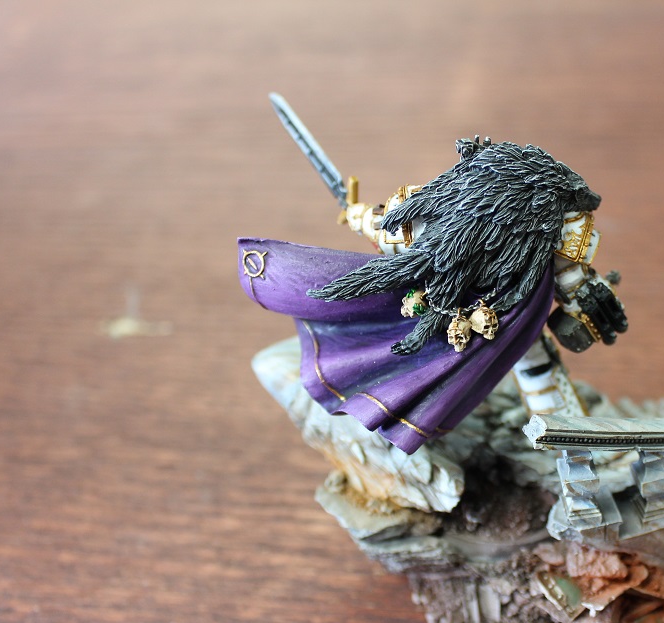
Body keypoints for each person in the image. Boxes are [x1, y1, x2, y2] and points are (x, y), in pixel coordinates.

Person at [238, 137, 627, 454]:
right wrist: (587, 305)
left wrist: (357, 215)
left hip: (495, 317)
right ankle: (561, 434)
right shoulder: (562, 227)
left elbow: (387, 231)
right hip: (474, 318)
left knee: (530, 364)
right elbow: (574, 281)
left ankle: (562, 436)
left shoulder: (438, 212)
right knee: (534, 365)